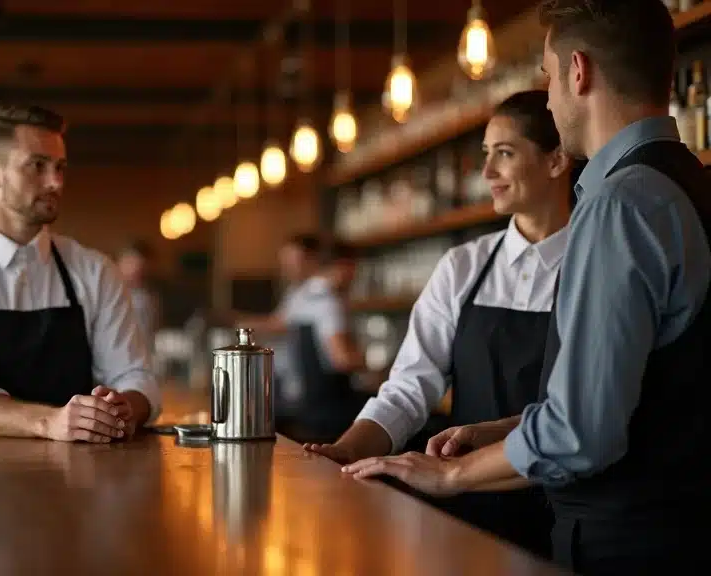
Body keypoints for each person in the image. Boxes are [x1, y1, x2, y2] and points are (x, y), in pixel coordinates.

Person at [337, 2, 711, 574]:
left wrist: (451, 473)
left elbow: (582, 431)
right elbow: (646, 392)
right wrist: (503, 428)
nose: (550, 97)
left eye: (546, 75)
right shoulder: (690, 183)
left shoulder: (618, 205)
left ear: (578, 72)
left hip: (626, 542)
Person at [304, 89, 575, 557]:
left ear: (556, 160)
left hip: (565, 507)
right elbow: (410, 387)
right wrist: (348, 450)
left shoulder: (594, 263)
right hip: (470, 501)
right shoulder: (463, 267)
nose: (487, 173)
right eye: (485, 155)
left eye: (505, 154)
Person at [0, 105, 162, 520]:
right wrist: (51, 422)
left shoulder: (93, 270)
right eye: (38, 166)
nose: (56, 182)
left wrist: (118, 409)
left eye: (61, 167)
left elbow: (136, 377)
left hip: (75, 486)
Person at [245, 234, 368, 443]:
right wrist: (378, 365)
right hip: (326, 408)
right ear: (344, 266)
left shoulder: (302, 296)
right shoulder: (328, 302)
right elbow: (342, 360)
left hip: (300, 400)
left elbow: (278, 324)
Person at [116, 240, 160, 357]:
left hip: (144, 356)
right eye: (131, 264)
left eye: (141, 267)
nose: (136, 271)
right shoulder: (111, 295)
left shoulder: (149, 296)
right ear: (120, 262)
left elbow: (153, 328)